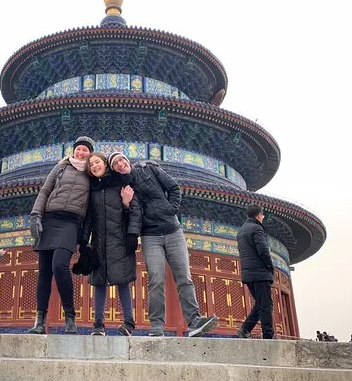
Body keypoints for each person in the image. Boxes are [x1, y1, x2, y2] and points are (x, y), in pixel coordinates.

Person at [109, 152, 218, 337]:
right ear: (114, 170)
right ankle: (157, 325)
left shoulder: (148, 169)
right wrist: (126, 204)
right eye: (115, 164)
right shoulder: (122, 189)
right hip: (150, 236)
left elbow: (174, 187)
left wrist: (171, 209)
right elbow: (128, 218)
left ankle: (194, 321)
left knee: (184, 277)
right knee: (156, 280)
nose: (120, 164)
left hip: (173, 231)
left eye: (121, 159)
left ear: (126, 159)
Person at [27, 136, 95, 335]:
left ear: (90, 153)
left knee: (59, 265)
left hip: (71, 223)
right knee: (44, 272)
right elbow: (45, 191)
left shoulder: (91, 174)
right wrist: (36, 216)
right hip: (49, 219)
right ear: (73, 150)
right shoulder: (60, 167)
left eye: (85, 150)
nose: (81, 153)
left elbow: (92, 209)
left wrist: (85, 238)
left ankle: (70, 317)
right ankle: (39, 321)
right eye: (78, 149)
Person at [82, 152, 142, 336]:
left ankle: (129, 323)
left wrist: (133, 235)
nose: (94, 166)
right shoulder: (92, 188)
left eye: (97, 162)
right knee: (99, 282)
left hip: (120, 240)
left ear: (105, 164)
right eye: (91, 164)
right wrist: (84, 241)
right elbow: (89, 218)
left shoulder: (121, 183)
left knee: (122, 281)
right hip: (99, 241)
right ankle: (98, 324)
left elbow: (135, 210)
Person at [236, 204, 275, 340]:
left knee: (260, 303)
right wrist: (270, 267)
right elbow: (263, 250)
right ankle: (268, 335)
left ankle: (245, 328)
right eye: (262, 215)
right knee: (266, 305)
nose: (263, 217)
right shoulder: (257, 228)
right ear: (259, 215)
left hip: (248, 274)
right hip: (260, 273)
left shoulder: (241, 231)